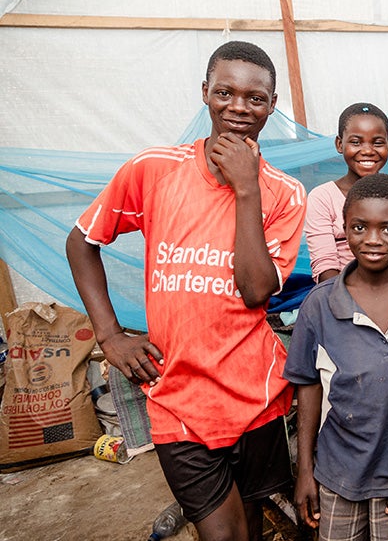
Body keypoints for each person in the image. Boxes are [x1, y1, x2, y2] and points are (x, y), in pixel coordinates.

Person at [65, 41, 306, 541]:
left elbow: (256, 290)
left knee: (254, 524)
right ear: (205, 94)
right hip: (177, 394)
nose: (239, 107)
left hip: (254, 394)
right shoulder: (154, 170)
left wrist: (246, 187)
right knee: (222, 534)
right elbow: (82, 242)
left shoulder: (282, 192)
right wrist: (109, 337)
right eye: (225, 92)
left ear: (272, 105)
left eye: (255, 98)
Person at [284, 173, 388, 541]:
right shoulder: (320, 303)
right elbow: (308, 386)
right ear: (344, 230)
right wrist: (304, 472)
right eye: (359, 227)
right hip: (335, 472)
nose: (373, 240)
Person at [304, 102, 388, 282]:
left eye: (377, 143)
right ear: (339, 144)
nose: (367, 151)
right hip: (342, 291)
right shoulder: (322, 196)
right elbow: (325, 268)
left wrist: (387, 233)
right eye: (355, 142)